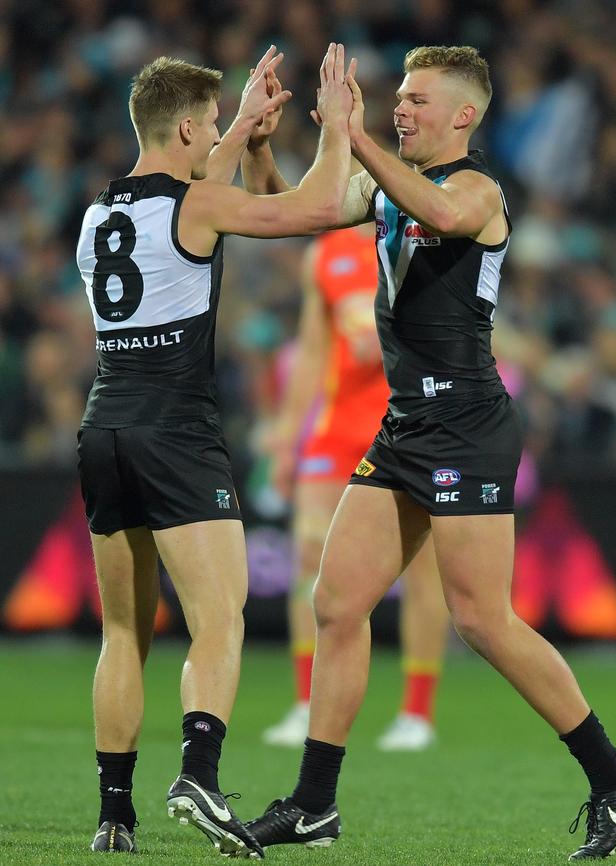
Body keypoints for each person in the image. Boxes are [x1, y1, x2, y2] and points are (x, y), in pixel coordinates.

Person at [240, 46, 616, 860]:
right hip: (405, 427)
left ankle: (614, 776)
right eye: (399, 98)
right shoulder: (387, 189)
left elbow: (446, 214)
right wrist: (259, 143)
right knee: (336, 603)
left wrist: (355, 138)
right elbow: (288, 209)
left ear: (464, 115)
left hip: (466, 422)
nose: (402, 109)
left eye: (419, 100)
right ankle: (315, 803)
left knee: (482, 621)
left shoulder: (478, 190)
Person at [75, 43, 354, 857]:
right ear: (188, 127)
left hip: (104, 425)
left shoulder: (99, 212)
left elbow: (184, 192)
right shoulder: (197, 207)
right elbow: (316, 206)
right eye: (210, 127)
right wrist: (335, 124)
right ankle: (199, 773)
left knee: (123, 631)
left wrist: (236, 130)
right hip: (177, 430)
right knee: (218, 617)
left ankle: (114, 816)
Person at [261, 222, 448, 752]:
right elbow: (314, 354)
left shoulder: (420, 240)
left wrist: (389, 329)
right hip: (336, 429)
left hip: (408, 424)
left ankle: (416, 713)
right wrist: (285, 437)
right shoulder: (324, 254)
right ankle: (306, 703)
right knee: (309, 560)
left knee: (423, 572)